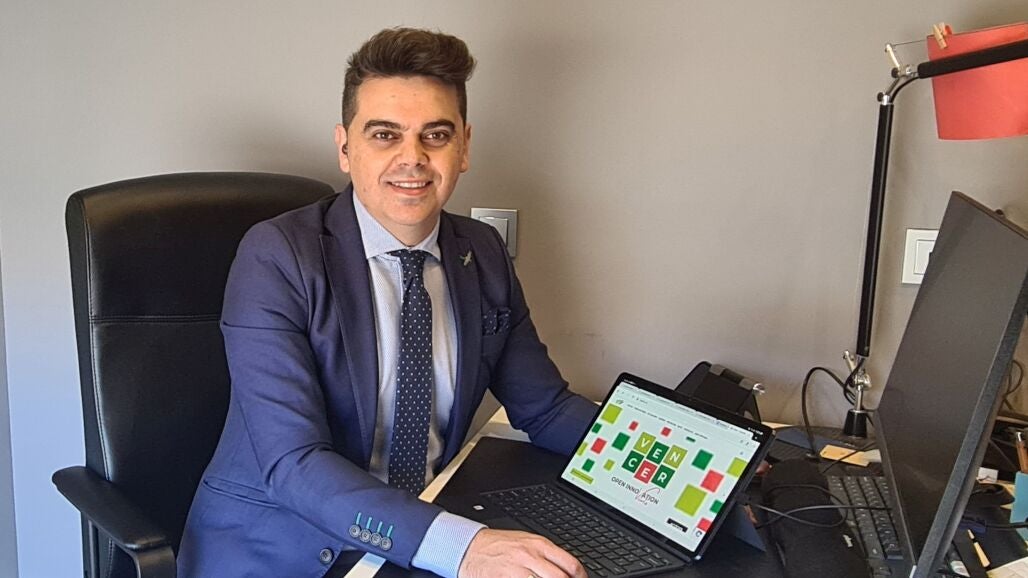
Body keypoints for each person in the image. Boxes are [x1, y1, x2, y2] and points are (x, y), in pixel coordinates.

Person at [177, 27, 596, 578]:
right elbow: (294, 463)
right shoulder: (276, 255)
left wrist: (675, 467)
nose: (412, 158)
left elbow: (547, 409)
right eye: (384, 135)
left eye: (436, 135)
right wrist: (464, 548)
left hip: (418, 536)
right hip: (281, 550)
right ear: (345, 147)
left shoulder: (483, 253)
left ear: (464, 147)